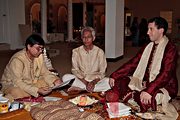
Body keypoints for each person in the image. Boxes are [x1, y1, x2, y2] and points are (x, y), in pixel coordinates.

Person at [106, 17, 178, 113]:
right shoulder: (148, 46)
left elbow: (165, 74)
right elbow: (133, 63)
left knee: (147, 101)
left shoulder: (171, 49)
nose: (148, 32)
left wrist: (149, 91)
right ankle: (135, 94)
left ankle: (134, 95)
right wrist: (115, 75)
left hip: (164, 86)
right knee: (119, 81)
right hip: (144, 83)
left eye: (151, 29)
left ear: (161, 30)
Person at [1, 34, 63, 100]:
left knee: (49, 85)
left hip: (32, 82)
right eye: (38, 48)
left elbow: (45, 73)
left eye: (41, 48)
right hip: (12, 84)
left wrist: (54, 80)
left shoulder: (39, 56)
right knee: (16, 92)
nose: (40, 51)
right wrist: (36, 90)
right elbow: (17, 82)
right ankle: (8, 98)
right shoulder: (17, 60)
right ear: (29, 46)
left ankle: (31, 96)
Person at [62, 26, 113, 92]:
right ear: (81, 38)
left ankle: (82, 89)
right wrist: (86, 83)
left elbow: (102, 72)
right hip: (82, 80)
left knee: (109, 82)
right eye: (84, 37)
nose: (86, 39)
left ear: (93, 38)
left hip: (96, 81)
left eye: (89, 37)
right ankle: (89, 89)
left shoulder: (100, 52)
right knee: (65, 77)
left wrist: (93, 82)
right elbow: (75, 70)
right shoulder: (76, 51)